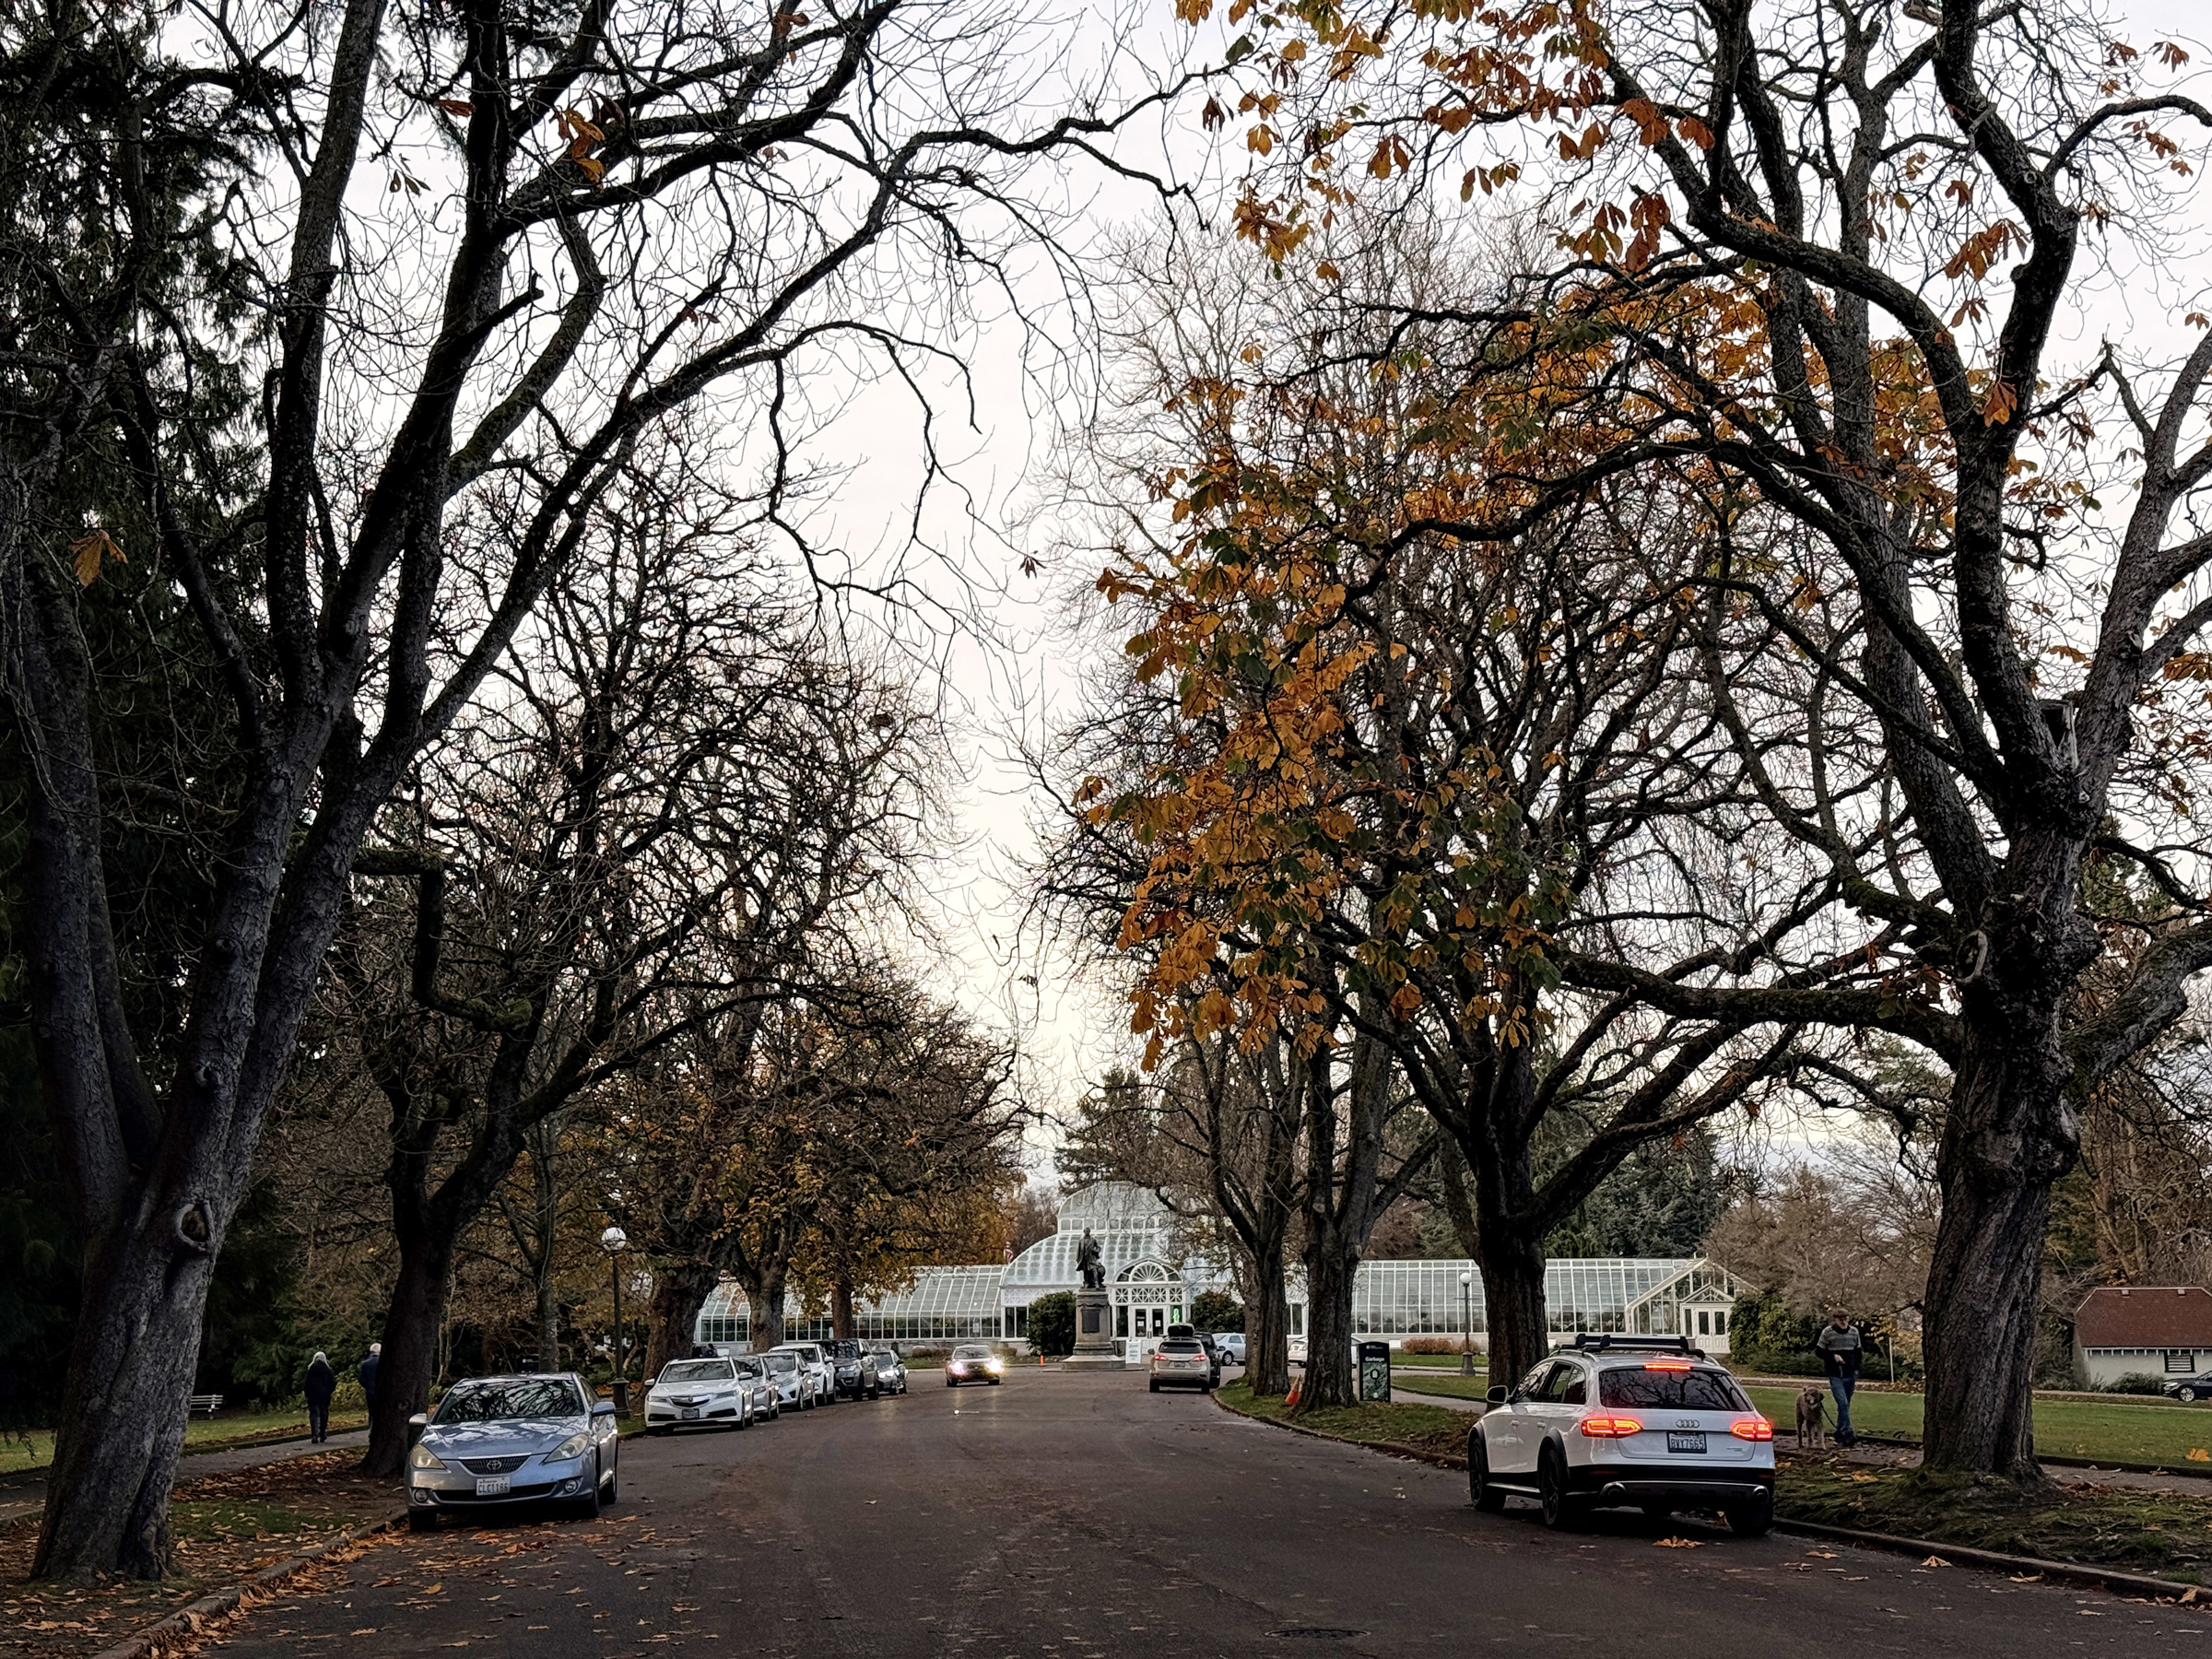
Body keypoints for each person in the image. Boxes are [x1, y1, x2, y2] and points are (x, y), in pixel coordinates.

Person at [1816, 1310, 1862, 1447]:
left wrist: (1856, 1370)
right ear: (1835, 1320)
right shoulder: (1827, 1332)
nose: (1843, 1321)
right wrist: (1833, 1356)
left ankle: (1839, 1434)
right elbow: (1819, 1351)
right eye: (1839, 1318)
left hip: (1849, 1374)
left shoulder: (1854, 1332)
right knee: (1843, 1403)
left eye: (1845, 1318)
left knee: (1845, 1405)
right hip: (1835, 1374)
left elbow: (1858, 1352)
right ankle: (1848, 1433)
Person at [303, 1351, 337, 1443]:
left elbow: (307, 1383)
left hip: (313, 1395)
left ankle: (314, 1435)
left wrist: (307, 1393)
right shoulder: (328, 1370)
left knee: (314, 1414)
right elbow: (333, 1383)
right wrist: (329, 1391)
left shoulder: (311, 1369)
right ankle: (322, 1433)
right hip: (324, 1395)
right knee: (324, 1414)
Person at [358, 1342, 381, 1413]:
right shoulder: (384, 1362)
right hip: (382, 1390)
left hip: (370, 1390)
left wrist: (368, 1387)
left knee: (372, 1411)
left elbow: (361, 1379)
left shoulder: (365, 1364)